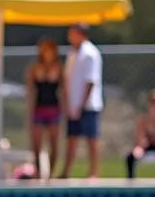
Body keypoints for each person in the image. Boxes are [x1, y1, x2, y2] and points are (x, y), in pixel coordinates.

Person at [59, 22, 103, 179]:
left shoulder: (90, 53)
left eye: (73, 33)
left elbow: (90, 81)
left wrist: (82, 105)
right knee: (72, 138)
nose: (70, 36)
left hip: (88, 106)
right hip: (73, 105)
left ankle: (94, 172)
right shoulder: (73, 53)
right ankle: (66, 171)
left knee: (91, 138)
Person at [24, 37, 65, 178]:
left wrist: (65, 110)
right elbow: (30, 90)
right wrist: (29, 111)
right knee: (36, 144)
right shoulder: (35, 67)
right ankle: (38, 172)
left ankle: (51, 174)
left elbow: (63, 90)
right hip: (39, 109)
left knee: (54, 144)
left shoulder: (59, 67)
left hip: (53, 108)